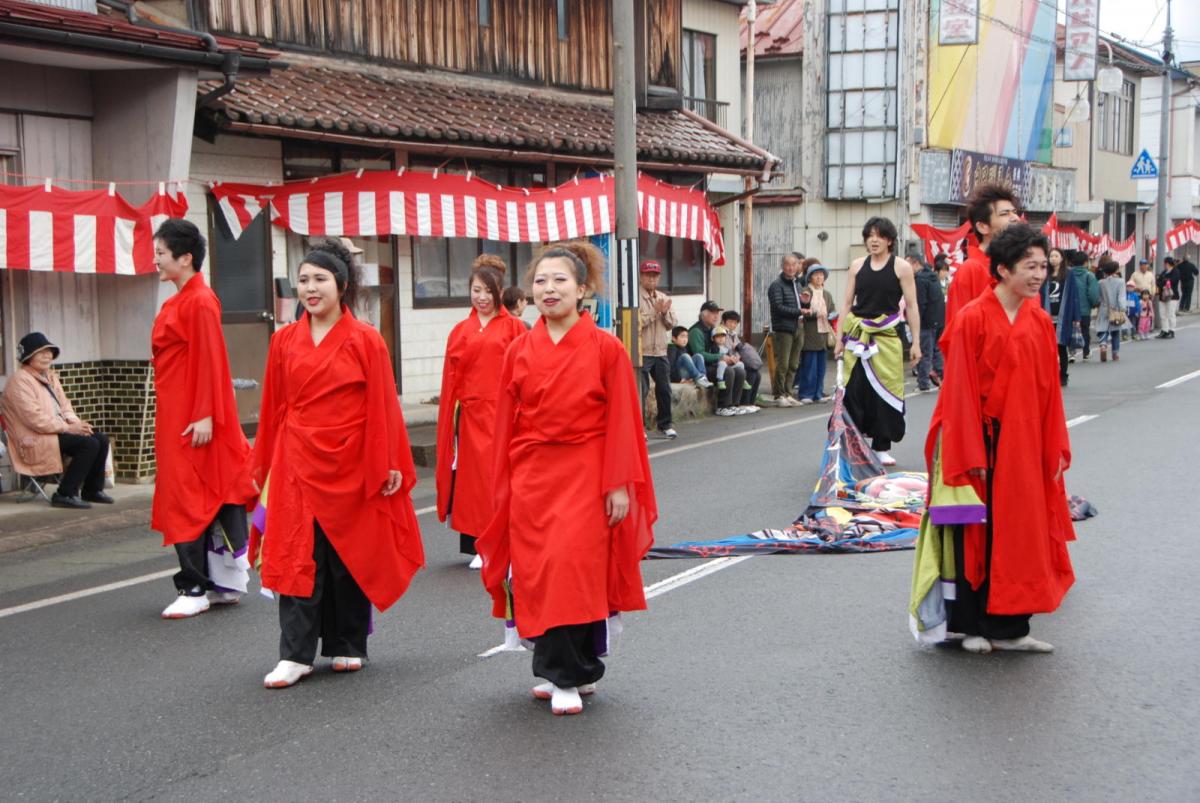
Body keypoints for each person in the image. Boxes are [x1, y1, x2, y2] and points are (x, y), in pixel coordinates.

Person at [476, 241, 656, 716]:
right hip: (532, 472)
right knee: (538, 571)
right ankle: (571, 669)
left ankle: (566, 674)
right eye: (540, 281)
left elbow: (622, 420)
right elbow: (506, 422)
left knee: (572, 567)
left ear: (582, 289)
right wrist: (502, 480)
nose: (549, 289)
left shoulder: (606, 348)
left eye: (560, 280)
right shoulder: (518, 348)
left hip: (586, 470)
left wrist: (618, 483)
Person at [251, 238, 424, 689]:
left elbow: (383, 404)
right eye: (303, 279)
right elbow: (274, 407)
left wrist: (388, 461)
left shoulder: (366, 339)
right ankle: (296, 654)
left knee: (347, 553)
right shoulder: (284, 340)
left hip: (350, 457)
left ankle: (348, 643)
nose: (310, 288)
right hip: (295, 459)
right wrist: (265, 462)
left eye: (320, 279)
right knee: (295, 553)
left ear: (341, 285)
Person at [909, 223, 1075, 654]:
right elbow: (958, 391)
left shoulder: (1039, 320)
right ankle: (972, 625)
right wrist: (969, 450)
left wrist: (1055, 445)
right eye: (1029, 266)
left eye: (1043, 265)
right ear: (1003, 269)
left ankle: (1013, 627)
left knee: (1022, 531)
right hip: (981, 438)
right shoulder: (973, 318)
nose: (1039, 274)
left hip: (1023, 441)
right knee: (977, 534)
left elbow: (1049, 393)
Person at [151, 219, 256, 620]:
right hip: (182, 410)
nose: (157, 259)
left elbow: (212, 360)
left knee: (188, 496)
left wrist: (205, 415)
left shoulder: (199, 300)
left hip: (193, 414)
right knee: (203, 494)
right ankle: (218, 581)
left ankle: (194, 584)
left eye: (161, 253)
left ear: (185, 257)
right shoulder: (182, 299)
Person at [437, 255, 527, 568]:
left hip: (504, 412)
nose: (482, 297)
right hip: (471, 415)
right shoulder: (460, 329)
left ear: (500, 292)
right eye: (476, 290)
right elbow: (450, 378)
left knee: (503, 476)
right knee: (473, 482)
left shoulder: (515, 327)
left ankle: (507, 541)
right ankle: (480, 543)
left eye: (488, 291)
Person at [833, 217, 921, 466]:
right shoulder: (857, 266)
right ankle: (853, 444)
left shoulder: (901, 267)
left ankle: (882, 446)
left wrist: (916, 343)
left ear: (889, 240)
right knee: (854, 391)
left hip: (886, 337)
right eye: (869, 235)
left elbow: (912, 306)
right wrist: (839, 339)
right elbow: (847, 304)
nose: (873, 240)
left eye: (879, 235)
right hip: (857, 335)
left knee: (885, 392)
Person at [1, 332, 111, 509]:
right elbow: (35, 420)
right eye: (41, 352)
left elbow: (65, 405)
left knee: (100, 438)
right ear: (28, 356)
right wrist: (68, 429)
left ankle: (92, 490)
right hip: (33, 438)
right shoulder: (19, 381)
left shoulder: (50, 376)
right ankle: (65, 493)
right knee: (88, 444)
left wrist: (77, 425)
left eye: (49, 351)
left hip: (54, 431)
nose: (47, 355)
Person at [944, 182, 1021, 331]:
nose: (1015, 218)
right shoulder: (970, 270)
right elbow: (957, 334)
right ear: (982, 227)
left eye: (1014, 212)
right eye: (1005, 214)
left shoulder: (1020, 268)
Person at [637, 259, 679, 439]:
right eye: (648, 276)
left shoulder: (662, 296)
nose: (652, 280)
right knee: (642, 391)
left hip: (661, 351)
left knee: (664, 389)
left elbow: (672, 324)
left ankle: (665, 424)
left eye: (655, 276)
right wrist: (655, 311)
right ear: (641, 276)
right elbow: (638, 324)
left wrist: (664, 312)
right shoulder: (635, 297)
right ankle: (639, 427)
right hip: (643, 351)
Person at [688, 301, 748, 416]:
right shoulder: (696, 331)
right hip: (702, 369)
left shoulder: (713, 329)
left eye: (717, 313)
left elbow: (722, 348)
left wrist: (731, 357)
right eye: (713, 313)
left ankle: (733, 405)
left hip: (715, 364)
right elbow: (699, 354)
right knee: (728, 371)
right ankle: (722, 406)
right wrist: (720, 357)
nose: (716, 316)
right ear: (703, 315)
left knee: (740, 370)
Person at [767, 252, 806, 406]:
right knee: (782, 363)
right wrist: (799, 312)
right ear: (782, 266)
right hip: (783, 327)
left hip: (799, 326)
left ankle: (788, 392)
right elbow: (777, 307)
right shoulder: (776, 285)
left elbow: (801, 304)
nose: (791, 268)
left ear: (798, 267)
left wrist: (806, 305)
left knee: (794, 363)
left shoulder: (797, 284)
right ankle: (779, 395)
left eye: (793, 265)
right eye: (787, 265)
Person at [796, 263, 836, 403]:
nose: (819, 277)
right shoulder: (806, 292)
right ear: (810, 277)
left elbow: (832, 309)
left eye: (821, 274)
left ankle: (818, 393)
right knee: (809, 365)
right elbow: (802, 311)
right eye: (816, 274)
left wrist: (833, 315)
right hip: (810, 332)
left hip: (824, 333)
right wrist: (815, 314)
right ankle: (806, 393)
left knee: (821, 367)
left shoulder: (827, 294)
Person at [1046, 248, 1079, 387]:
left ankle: (1063, 375)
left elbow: (1074, 295)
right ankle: (1050, 375)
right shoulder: (1044, 274)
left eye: (1056, 256)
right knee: (1048, 348)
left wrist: (1076, 317)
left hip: (1063, 316)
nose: (1053, 258)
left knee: (1061, 347)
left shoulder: (1069, 274)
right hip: (1047, 316)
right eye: (1051, 256)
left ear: (1061, 258)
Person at [914, 258, 946, 393]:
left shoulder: (920, 279)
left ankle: (923, 383)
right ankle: (943, 377)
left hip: (926, 320)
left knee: (925, 352)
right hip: (939, 318)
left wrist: (916, 320)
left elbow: (920, 302)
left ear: (915, 263)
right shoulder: (934, 278)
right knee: (936, 350)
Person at [721, 310, 762, 411]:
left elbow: (739, 349)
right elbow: (724, 348)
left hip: (735, 361)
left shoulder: (733, 335)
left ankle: (750, 402)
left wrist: (738, 355)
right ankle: (744, 402)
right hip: (726, 362)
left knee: (756, 373)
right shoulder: (721, 333)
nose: (733, 325)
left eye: (735, 323)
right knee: (749, 373)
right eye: (730, 322)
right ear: (724, 321)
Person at [1068, 250, 1100, 359]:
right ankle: (1086, 352)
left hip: (1069, 308)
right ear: (1086, 262)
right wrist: (1095, 303)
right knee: (1085, 330)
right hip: (1084, 309)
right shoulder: (1089, 276)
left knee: (1069, 330)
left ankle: (1071, 352)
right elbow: (1093, 293)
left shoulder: (1067, 274)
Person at [1095, 260, 1127, 363]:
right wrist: (1123, 309)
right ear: (1116, 270)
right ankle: (1115, 353)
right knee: (1115, 331)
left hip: (1104, 308)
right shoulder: (1120, 281)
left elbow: (1098, 297)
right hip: (1116, 309)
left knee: (1102, 328)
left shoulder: (1100, 282)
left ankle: (1103, 344)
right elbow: (1121, 297)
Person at [1157, 258, 1181, 339]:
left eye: (1165, 263)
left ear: (1168, 263)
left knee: (1170, 313)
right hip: (1163, 296)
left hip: (1172, 296)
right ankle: (1164, 330)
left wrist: (1164, 281)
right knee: (1163, 314)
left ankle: (1172, 330)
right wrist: (1163, 284)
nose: (1164, 265)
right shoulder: (1164, 272)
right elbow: (1158, 281)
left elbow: (1173, 281)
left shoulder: (1176, 271)